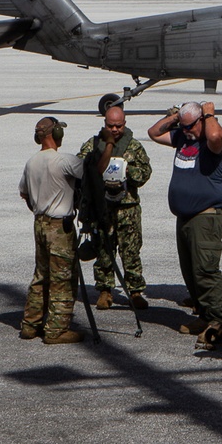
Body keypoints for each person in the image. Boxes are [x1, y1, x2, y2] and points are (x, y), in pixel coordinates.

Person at [19, 117, 113, 344]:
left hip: (40, 223)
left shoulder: (32, 162)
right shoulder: (63, 160)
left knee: (41, 275)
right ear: (56, 133)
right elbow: (95, 171)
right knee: (63, 278)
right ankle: (56, 330)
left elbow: (24, 193)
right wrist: (108, 144)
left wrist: (39, 206)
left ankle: (30, 324)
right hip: (59, 227)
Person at [148, 102, 222, 337]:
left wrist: (209, 114)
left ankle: (216, 320)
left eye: (191, 126)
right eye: (183, 127)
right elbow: (154, 133)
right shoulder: (184, 137)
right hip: (184, 216)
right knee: (191, 272)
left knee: (205, 270)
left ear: (203, 120)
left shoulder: (213, 141)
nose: (187, 131)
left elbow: (215, 134)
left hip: (205, 215)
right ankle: (204, 316)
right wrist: (177, 117)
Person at [77, 106, 153, 310]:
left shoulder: (134, 147)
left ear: (125, 124)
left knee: (131, 251)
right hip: (103, 208)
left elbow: (146, 173)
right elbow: (80, 169)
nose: (115, 130)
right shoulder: (93, 145)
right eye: (111, 126)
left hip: (127, 208)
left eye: (119, 126)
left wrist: (127, 171)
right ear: (104, 124)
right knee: (103, 249)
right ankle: (104, 290)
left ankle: (135, 291)